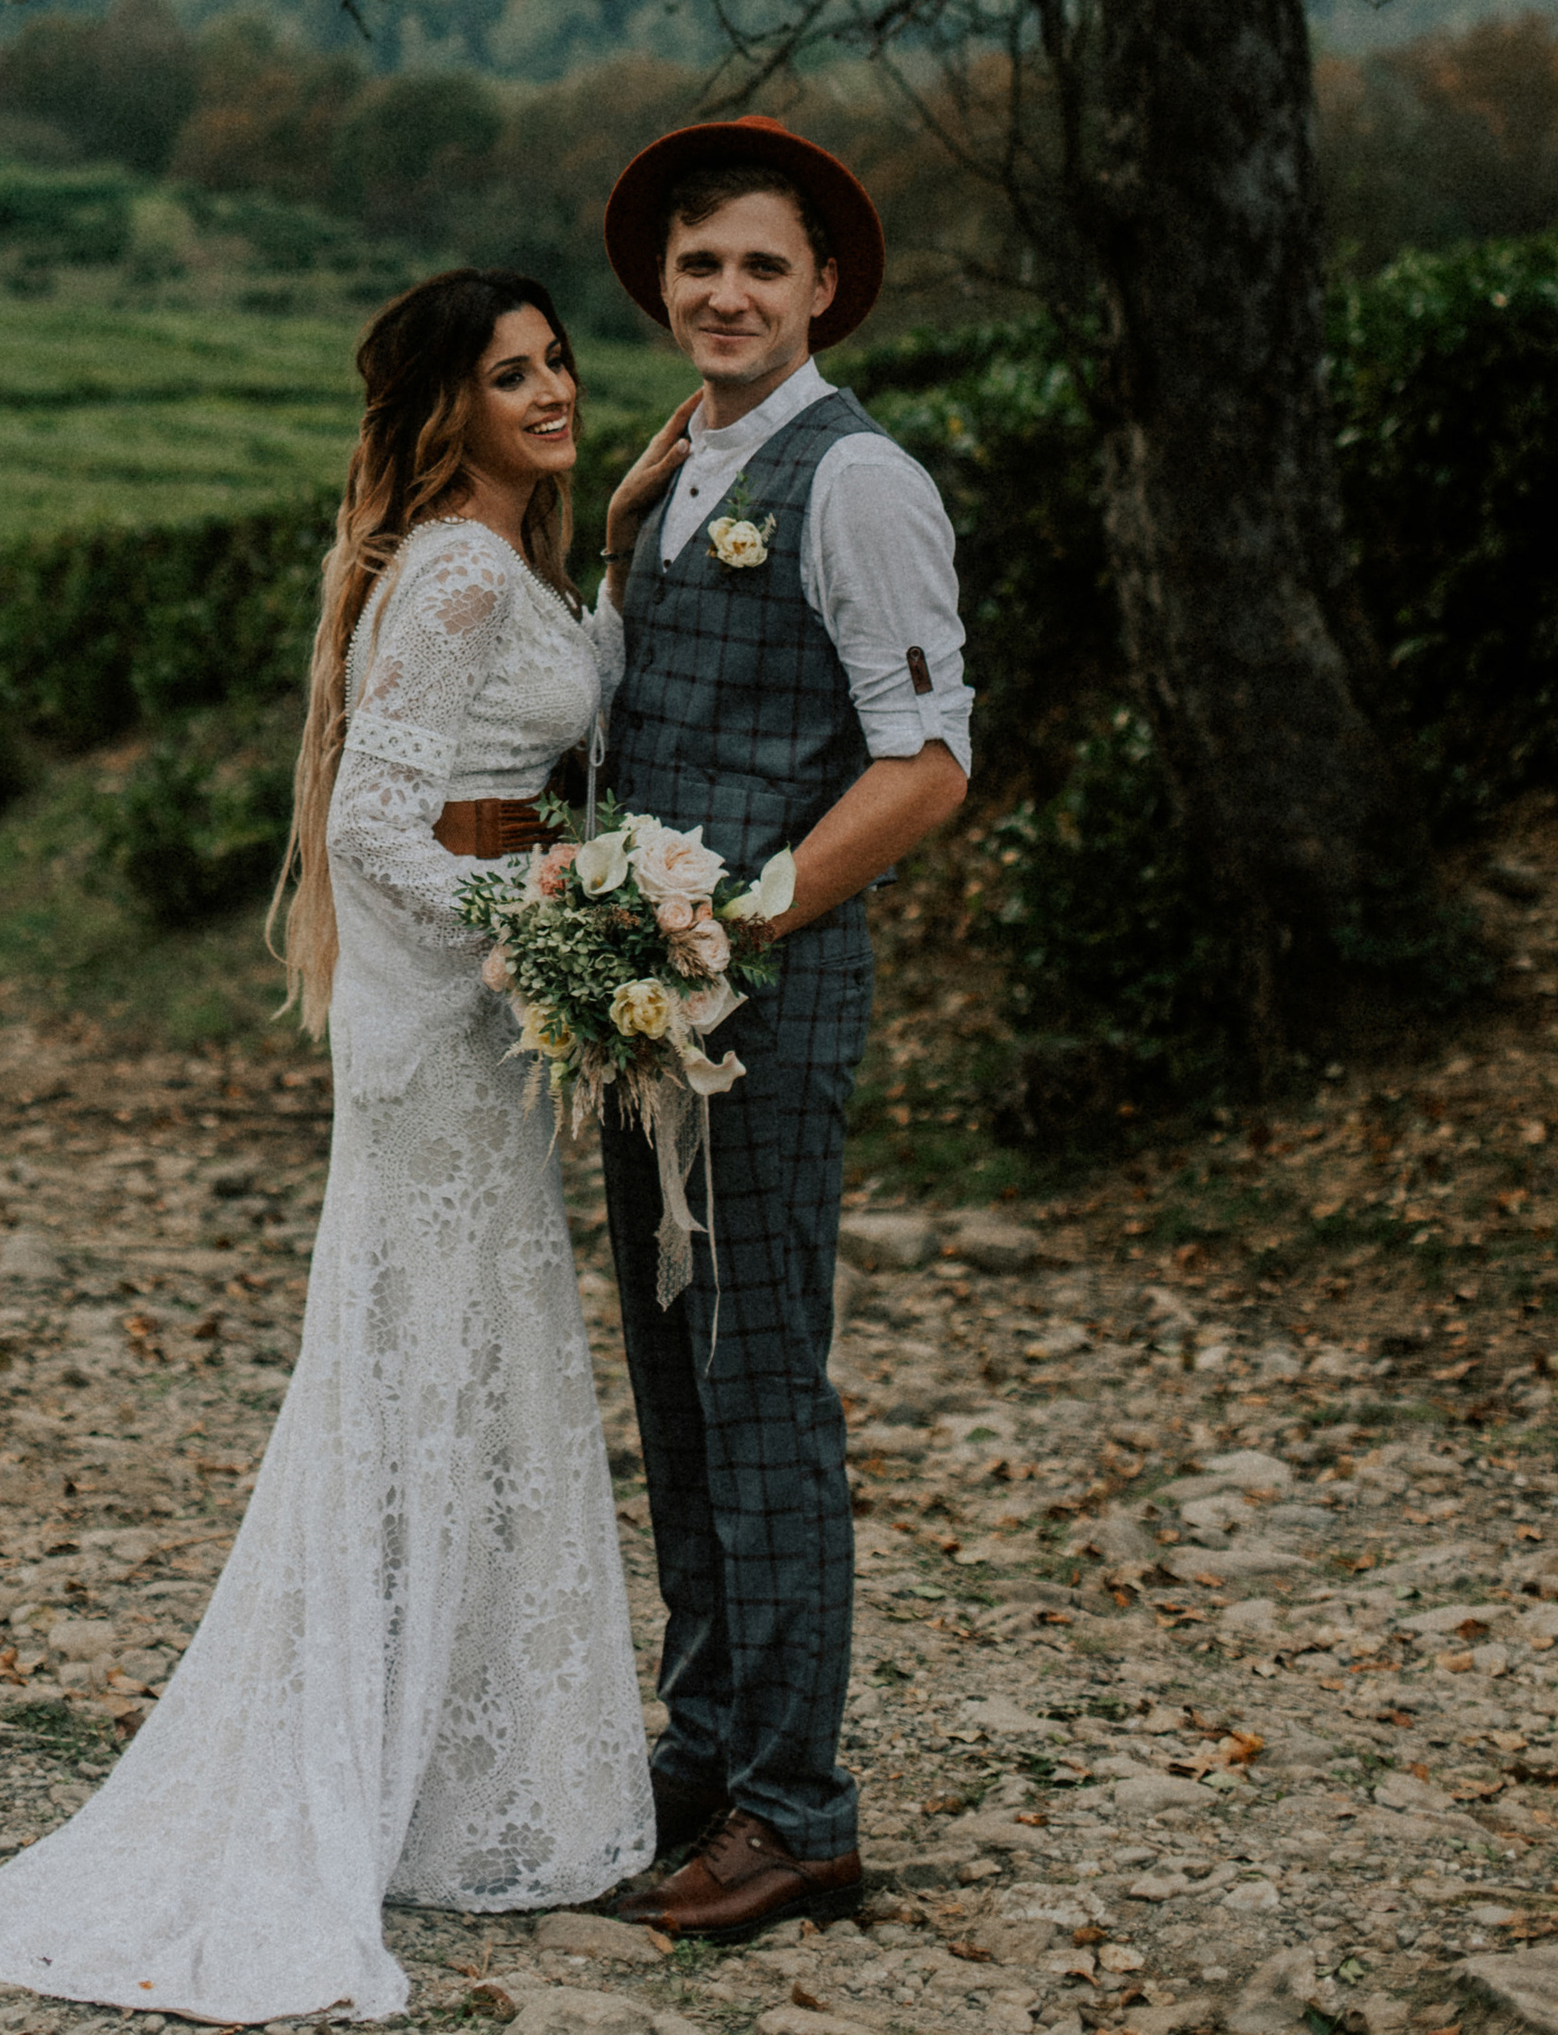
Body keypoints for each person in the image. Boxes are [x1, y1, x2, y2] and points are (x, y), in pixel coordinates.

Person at [0, 267, 650, 2025]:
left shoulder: (510, 556)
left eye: (558, 364)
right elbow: (377, 819)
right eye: (511, 375)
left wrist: (608, 535)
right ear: (444, 408)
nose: (550, 391)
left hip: (471, 1022)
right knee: (430, 1374)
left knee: (459, 1373)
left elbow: (548, 719)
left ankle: (459, 1778)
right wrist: (539, 913)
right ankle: (407, 1779)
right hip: (451, 1026)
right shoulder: (458, 571)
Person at [592, 117, 972, 1945]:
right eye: (697, 266)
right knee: (674, 1389)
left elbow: (927, 764)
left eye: (760, 264)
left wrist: (745, 914)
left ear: (823, 287)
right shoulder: (672, 469)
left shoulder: (857, 480)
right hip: (637, 1010)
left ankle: (800, 1805)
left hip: (765, 997)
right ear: (663, 290)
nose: (724, 292)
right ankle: (705, 1752)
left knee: (760, 1394)